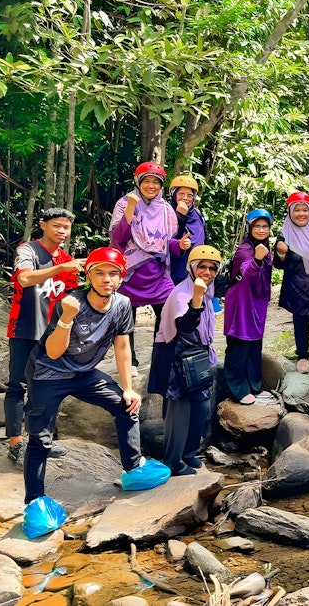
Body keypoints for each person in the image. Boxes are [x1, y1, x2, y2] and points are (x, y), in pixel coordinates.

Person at [23, 247, 166, 504]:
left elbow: (122, 347)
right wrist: (67, 318)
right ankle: (35, 501)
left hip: (83, 373)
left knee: (127, 406)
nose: (106, 279)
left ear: (122, 277)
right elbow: (53, 353)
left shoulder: (122, 304)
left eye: (113, 273)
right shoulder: (71, 302)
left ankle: (133, 468)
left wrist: (128, 387)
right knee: (40, 440)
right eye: (99, 273)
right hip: (47, 374)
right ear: (88, 275)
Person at [5, 208, 85, 466]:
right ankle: (16, 443)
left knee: (47, 386)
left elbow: (71, 299)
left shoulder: (66, 259)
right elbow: (25, 278)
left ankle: (40, 439)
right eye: (56, 226)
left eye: (66, 227)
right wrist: (61, 267)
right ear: (43, 225)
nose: (62, 231)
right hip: (25, 328)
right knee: (18, 385)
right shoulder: (27, 251)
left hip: (53, 334)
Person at [148, 245, 222, 476]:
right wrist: (197, 298)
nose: (207, 272)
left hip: (198, 357)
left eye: (212, 268)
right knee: (179, 410)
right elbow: (184, 326)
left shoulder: (207, 292)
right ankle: (173, 460)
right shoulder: (183, 293)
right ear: (192, 268)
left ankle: (189, 453)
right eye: (202, 267)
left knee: (200, 407)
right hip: (176, 358)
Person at [109, 161, 184, 374]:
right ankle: (129, 361)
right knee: (126, 318)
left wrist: (180, 246)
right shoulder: (124, 203)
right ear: (138, 181)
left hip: (158, 271)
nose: (151, 186)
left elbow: (168, 242)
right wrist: (131, 209)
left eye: (156, 182)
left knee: (168, 313)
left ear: (161, 185)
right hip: (130, 270)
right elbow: (118, 238)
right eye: (146, 181)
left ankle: (160, 356)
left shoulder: (167, 210)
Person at [274, 191, 309, 376]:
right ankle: (303, 356)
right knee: (301, 320)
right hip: (297, 284)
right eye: (296, 210)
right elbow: (278, 264)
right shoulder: (285, 234)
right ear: (290, 212)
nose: (301, 214)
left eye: (304, 210)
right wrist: (281, 253)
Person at [223, 209, 274, 405]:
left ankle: (254, 386)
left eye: (265, 226)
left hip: (258, 302)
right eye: (257, 226)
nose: (261, 230)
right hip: (242, 302)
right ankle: (237, 389)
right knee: (239, 343)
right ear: (250, 228)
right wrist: (257, 259)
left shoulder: (265, 246)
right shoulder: (245, 249)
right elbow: (246, 274)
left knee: (254, 344)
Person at [167, 175, 207, 286]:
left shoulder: (197, 213)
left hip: (197, 263)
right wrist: (180, 216)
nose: (186, 198)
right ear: (173, 195)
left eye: (190, 195)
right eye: (181, 194)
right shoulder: (166, 212)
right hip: (177, 265)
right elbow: (169, 239)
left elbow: (205, 236)